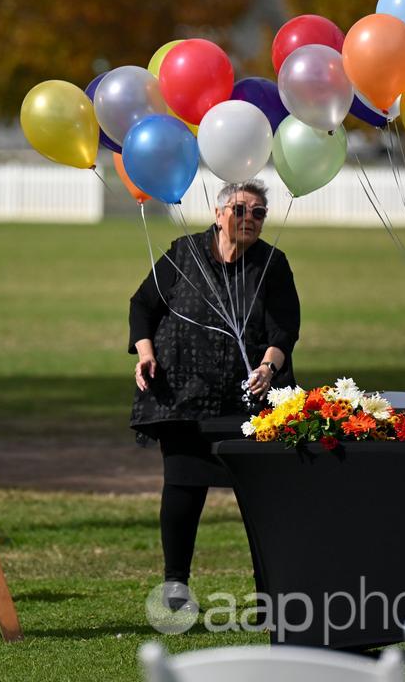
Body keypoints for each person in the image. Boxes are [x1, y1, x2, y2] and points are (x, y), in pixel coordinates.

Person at [128, 179, 301, 605]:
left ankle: (269, 596)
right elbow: (142, 305)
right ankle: (175, 587)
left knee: (263, 500)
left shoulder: (271, 264)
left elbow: (285, 328)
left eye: (259, 213)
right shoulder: (183, 254)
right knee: (183, 487)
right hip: (186, 396)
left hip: (248, 401)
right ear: (219, 213)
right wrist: (145, 353)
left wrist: (268, 366)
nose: (251, 219)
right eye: (241, 210)